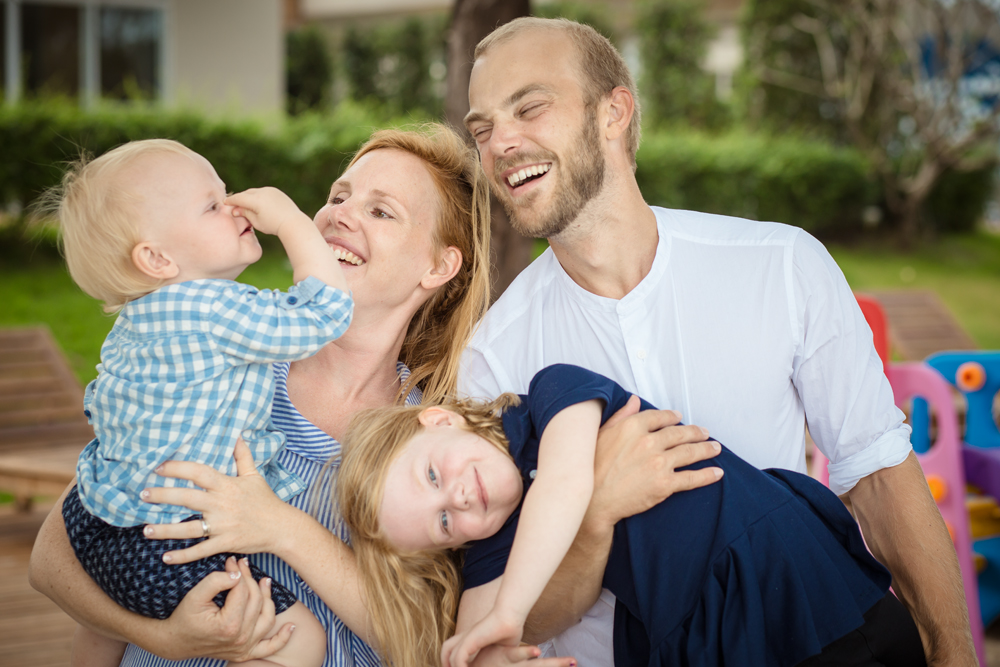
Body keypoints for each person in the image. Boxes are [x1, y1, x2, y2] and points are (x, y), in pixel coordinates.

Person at [456, 16, 976, 667]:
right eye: (481, 129)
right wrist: (595, 520)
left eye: (529, 106)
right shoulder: (493, 358)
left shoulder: (781, 265)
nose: (500, 141)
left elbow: (877, 475)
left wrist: (956, 653)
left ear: (614, 111)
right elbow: (506, 617)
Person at [30, 124, 540, 667]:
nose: (341, 214)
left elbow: (427, 643)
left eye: (381, 211)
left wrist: (281, 527)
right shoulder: (214, 362)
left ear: (439, 266)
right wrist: (160, 638)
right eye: (339, 196)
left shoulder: (438, 439)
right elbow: (55, 558)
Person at [337, 363, 927, 667]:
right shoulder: (492, 536)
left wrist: (508, 613)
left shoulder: (548, 400)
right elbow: (475, 628)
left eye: (433, 476)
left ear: (440, 420)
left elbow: (566, 485)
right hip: (704, 635)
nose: (459, 501)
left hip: (774, 568)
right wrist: (481, 650)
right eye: (443, 524)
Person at [56, 138, 356, 667]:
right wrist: (290, 222)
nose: (235, 205)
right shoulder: (212, 310)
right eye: (212, 204)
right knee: (299, 641)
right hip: (165, 544)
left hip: (97, 525)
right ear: (156, 257)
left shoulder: (140, 319)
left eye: (225, 193)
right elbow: (324, 314)